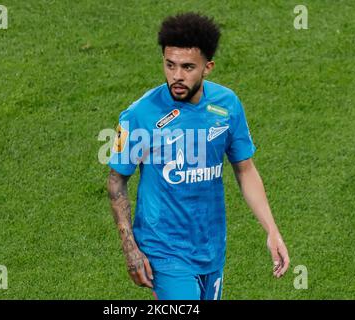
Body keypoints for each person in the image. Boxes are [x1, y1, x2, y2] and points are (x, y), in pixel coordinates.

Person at [107, 12, 289, 300]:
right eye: (170, 65)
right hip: (163, 250)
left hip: (211, 246)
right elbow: (116, 181)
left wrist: (272, 230)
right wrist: (131, 249)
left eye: (188, 67)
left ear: (208, 67)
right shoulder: (140, 115)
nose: (177, 76)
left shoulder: (227, 105)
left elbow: (245, 169)